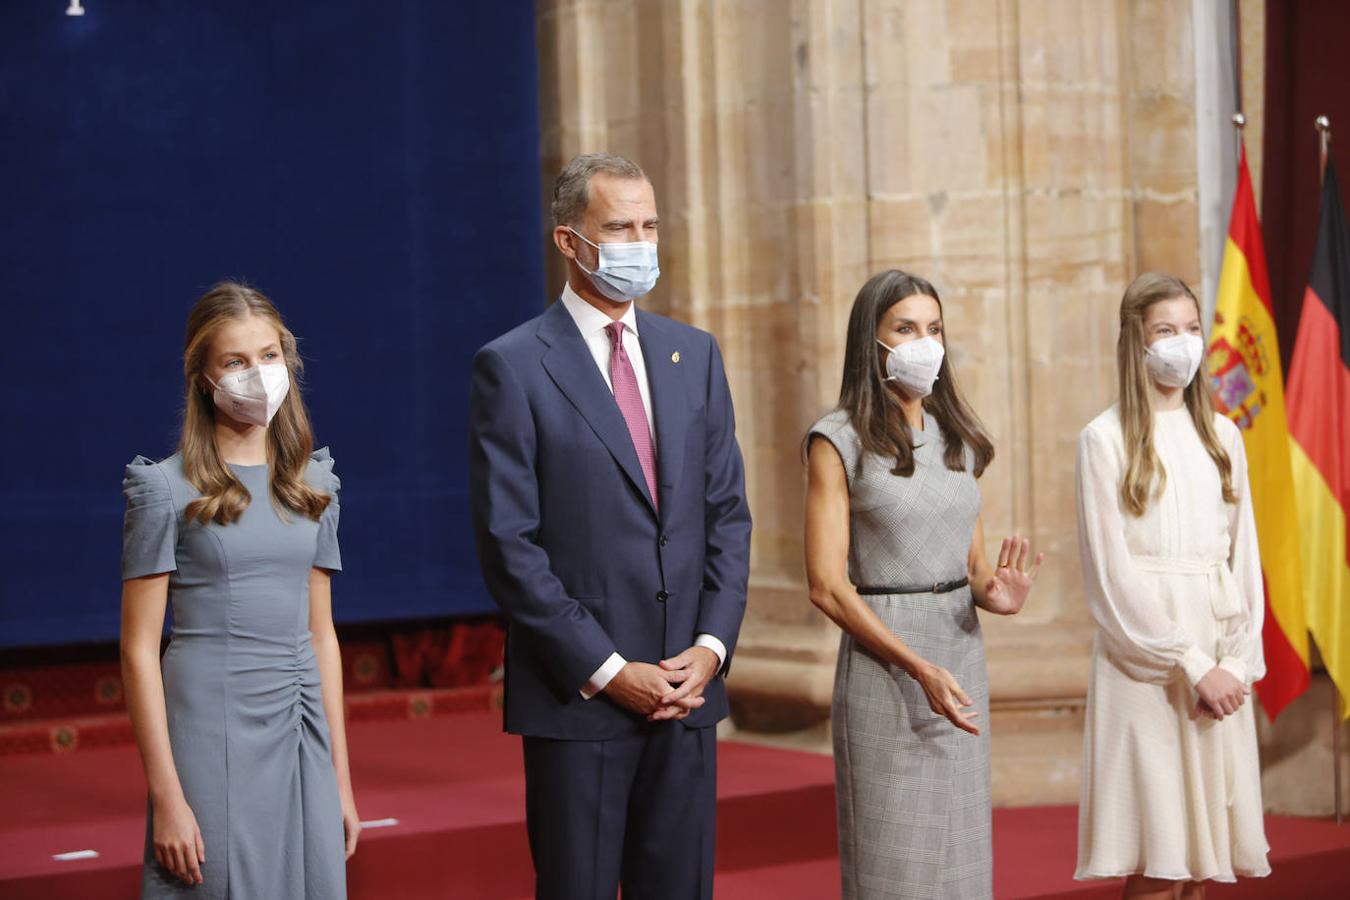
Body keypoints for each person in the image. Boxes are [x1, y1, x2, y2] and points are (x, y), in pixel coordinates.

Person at [468, 152, 751, 899]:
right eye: (620, 227)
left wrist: (712, 647)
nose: (640, 242)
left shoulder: (695, 355)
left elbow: (727, 516)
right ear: (570, 241)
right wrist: (608, 670)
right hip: (580, 701)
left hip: (687, 698)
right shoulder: (514, 366)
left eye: (649, 224)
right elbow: (509, 547)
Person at [804, 269, 1042, 899]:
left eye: (933, 329)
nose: (924, 342)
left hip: (960, 659)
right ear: (872, 341)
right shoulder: (837, 440)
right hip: (887, 668)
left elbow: (975, 570)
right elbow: (827, 586)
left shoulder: (956, 432)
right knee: (894, 870)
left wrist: (1000, 595)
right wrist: (917, 667)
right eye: (906, 328)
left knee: (961, 865)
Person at [120, 283, 359, 898]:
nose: (258, 374)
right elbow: (140, 648)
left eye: (270, 355)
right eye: (236, 361)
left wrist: (342, 777)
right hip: (210, 724)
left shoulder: (315, 483)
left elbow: (320, 632)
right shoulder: (164, 489)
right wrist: (166, 797)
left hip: (300, 719)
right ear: (203, 376)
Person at [1074, 272, 1269, 897]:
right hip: (1148, 662)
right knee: (1162, 855)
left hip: (1218, 651)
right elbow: (1111, 577)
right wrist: (1189, 662)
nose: (1182, 344)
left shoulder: (1222, 435)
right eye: (1166, 331)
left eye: (1191, 329)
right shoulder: (1104, 439)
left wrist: (1235, 663)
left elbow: (1242, 558)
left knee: (1203, 855)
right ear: (1136, 340)